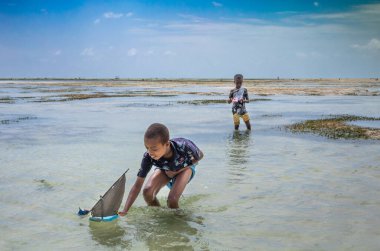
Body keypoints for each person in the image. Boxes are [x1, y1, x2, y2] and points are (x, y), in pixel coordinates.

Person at [119, 123, 203, 215]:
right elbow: (137, 185)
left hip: (185, 168)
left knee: (172, 200)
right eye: (147, 148)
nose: (150, 152)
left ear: (167, 144)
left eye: (154, 149)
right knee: (147, 192)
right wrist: (125, 210)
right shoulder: (148, 156)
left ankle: (179, 219)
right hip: (165, 169)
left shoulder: (184, 145)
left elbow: (200, 156)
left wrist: (177, 171)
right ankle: (160, 215)